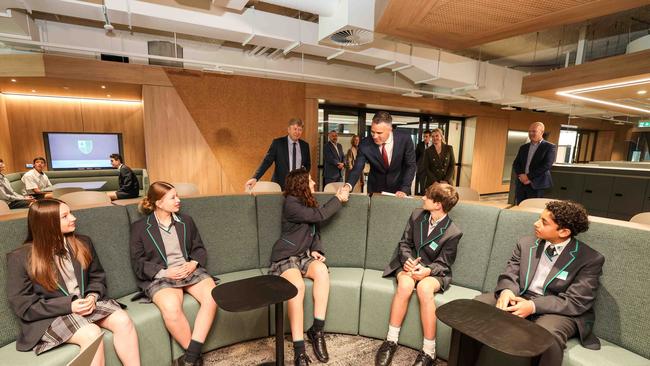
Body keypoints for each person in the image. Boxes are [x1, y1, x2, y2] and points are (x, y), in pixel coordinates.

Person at [6, 199, 140, 366]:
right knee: (92, 333)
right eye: (65, 216)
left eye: (70, 212)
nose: (73, 217)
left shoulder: (83, 242)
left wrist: (92, 295)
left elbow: (97, 276)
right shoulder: (20, 257)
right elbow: (24, 306)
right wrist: (69, 306)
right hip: (49, 317)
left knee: (123, 320)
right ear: (48, 223)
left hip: (85, 306)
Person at [475, 200, 604, 366]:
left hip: (559, 309)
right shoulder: (526, 244)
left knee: (547, 335)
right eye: (539, 218)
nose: (535, 224)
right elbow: (510, 273)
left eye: (544, 222)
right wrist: (507, 291)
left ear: (564, 231)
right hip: (520, 295)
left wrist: (532, 306)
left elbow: (576, 301)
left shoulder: (590, 259)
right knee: (477, 306)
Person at [130, 182, 217, 366]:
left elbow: (199, 247)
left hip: (190, 270)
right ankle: (194, 355)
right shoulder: (139, 227)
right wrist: (164, 272)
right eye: (173, 197)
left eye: (177, 196)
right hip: (163, 275)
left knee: (212, 297)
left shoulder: (186, 220)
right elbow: (138, 263)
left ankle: (191, 357)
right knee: (171, 309)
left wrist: (193, 263)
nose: (178, 200)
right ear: (158, 203)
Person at [268, 168, 349, 366]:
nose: (314, 183)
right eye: (311, 180)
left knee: (322, 271)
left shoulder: (306, 202)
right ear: (301, 184)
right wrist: (338, 198)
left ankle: (317, 331)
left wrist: (316, 249)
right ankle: (299, 350)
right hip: (286, 256)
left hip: (304, 255)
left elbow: (315, 230)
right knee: (298, 287)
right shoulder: (291, 204)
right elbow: (320, 216)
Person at [375, 183, 462, 366]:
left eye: (427, 196)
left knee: (424, 288)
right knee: (405, 285)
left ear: (438, 204)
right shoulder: (416, 215)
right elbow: (405, 244)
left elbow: (444, 262)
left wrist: (427, 271)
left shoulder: (453, 232)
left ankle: (429, 351)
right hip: (410, 265)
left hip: (435, 272)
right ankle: (391, 341)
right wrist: (407, 260)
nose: (423, 198)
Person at [344, 111, 416, 197]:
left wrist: (405, 189)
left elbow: (411, 165)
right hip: (375, 189)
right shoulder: (365, 144)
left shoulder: (405, 139)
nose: (374, 136)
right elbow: (357, 168)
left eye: (379, 133)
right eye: (372, 132)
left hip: (400, 189)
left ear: (390, 129)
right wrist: (348, 186)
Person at [245, 118, 311, 191]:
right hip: (280, 186)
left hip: (298, 187)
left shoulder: (305, 146)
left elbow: (307, 165)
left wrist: (302, 178)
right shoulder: (278, 143)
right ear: (289, 129)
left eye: (300, 130)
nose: (297, 132)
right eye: (295, 129)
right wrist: (255, 177)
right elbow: (267, 162)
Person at [512, 122, 557, 205]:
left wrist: (528, 177)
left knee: (533, 207)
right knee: (520, 206)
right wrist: (521, 175)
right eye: (529, 131)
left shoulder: (549, 147)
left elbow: (546, 165)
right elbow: (516, 163)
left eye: (534, 131)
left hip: (537, 184)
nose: (531, 133)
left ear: (542, 132)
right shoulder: (523, 147)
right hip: (522, 184)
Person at [414, 130, 431, 195]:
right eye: (424, 136)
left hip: (431, 170)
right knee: (422, 186)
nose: (425, 138)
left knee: (430, 187)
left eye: (426, 136)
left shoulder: (433, 145)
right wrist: (417, 167)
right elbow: (416, 157)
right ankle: (421, 196)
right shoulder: (420, 145)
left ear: (430, 137)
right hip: (421, 169)